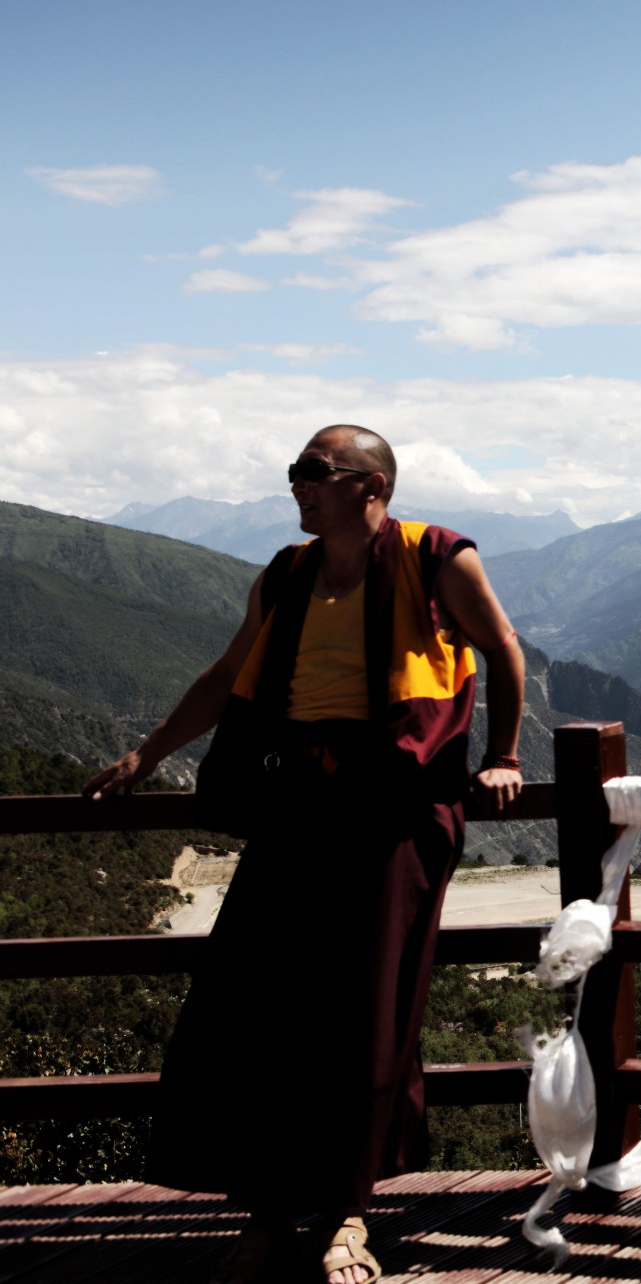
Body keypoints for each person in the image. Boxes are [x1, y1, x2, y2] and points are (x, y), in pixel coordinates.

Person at [85, 425, 526, 1284]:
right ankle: (266, 1211)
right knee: (257, 1005)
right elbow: (228, 674)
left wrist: (504, 756)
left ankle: (349, 1215)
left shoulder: (437, 558)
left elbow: (504, 648)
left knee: (367, 1014)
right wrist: (148, 752)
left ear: (373, 485)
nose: (299, 485)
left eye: (317, 471)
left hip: (393, 812)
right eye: (297, 471)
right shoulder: (288, 573)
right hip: (296, 808)